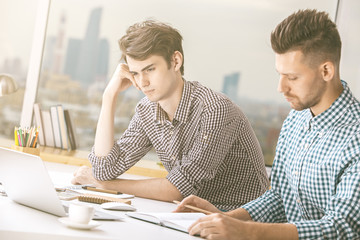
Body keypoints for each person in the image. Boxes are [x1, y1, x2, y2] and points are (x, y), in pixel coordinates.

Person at [174, 9, 360, 239]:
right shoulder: (296, 119)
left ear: (326, 70)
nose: (281, 88)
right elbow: (280, 197)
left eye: (292, 77)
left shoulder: (356, 138)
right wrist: (227, 218)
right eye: (279, 75)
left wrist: (244, 231)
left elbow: (342, 228)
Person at [71, 20, 269, 210]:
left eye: (149, 69)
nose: (142, 83)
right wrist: (109, 96)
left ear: (175, 61)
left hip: (240, 221)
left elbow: (177, 188)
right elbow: (104, 170)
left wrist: (106, 186)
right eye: (136, 73)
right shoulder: (147, 110)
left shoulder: (215, 109)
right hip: (192, 215)